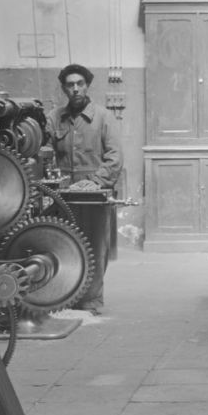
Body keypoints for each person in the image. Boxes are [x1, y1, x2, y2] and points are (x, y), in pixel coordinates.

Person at [48, 63, 123, 314]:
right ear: (64, 89)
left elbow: (115, 157)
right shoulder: (54, 118)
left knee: (93, 248)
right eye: (70, 85)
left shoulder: (103, 117)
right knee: (62, 246)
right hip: (62, 195)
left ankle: (90, 302)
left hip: (94, 196)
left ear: (87, 86)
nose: (75, 89)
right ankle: (64, 298)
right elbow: (43, 151)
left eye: (80, 84)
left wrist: (96, 182)